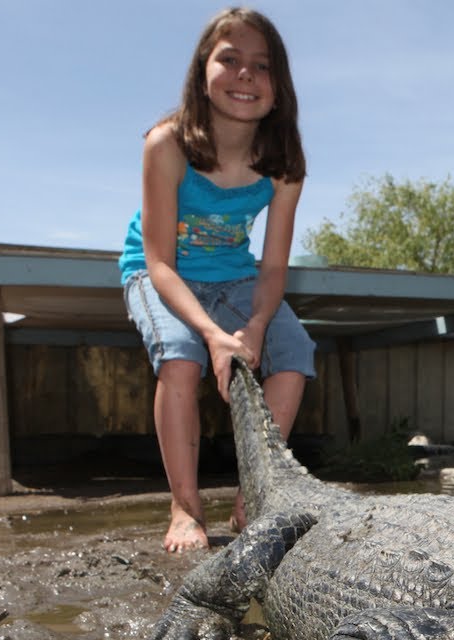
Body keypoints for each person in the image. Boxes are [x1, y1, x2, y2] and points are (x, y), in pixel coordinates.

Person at [118, 7, 315, 553]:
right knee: (181, 357)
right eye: (229, 59)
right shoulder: (167, 144)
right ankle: (185, 506)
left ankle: (253, 500)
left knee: (294, 352)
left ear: (279, 85)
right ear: (202, 70)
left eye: (262, 65)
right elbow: (160, 263)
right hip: (160, 273)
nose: (245, 74)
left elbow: (273, 267)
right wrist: (211, 335)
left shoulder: (285, 163)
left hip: (235, 274)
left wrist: (255, 326)